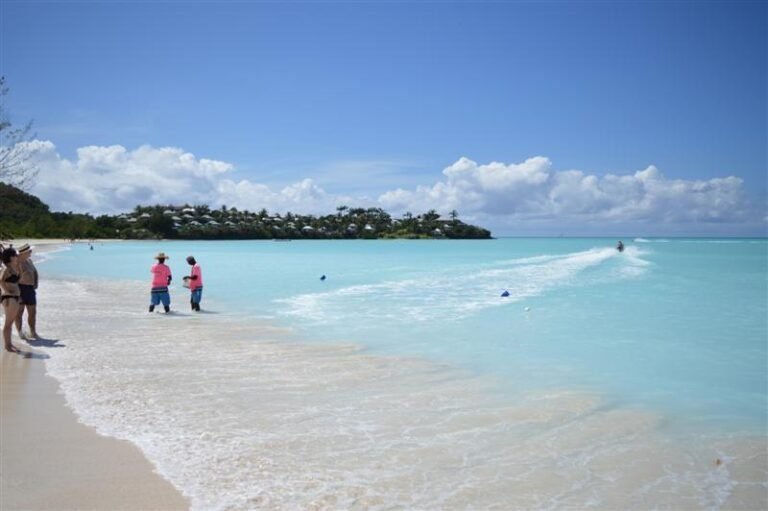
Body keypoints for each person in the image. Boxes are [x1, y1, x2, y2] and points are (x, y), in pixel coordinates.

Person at [15, 244, 39, 339]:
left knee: (32, 313)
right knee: (19, 313)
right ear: (24, 253)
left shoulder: (29, 261)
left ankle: (33, 332)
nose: (31, 253)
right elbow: (15, 279)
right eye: (29, 251)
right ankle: (20, 332)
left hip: (30, 289)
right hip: (21, 288)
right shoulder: (17, 263)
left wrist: (35, 284)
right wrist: (17, 293)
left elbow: (35, 272)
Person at [1, 248, 22, 352]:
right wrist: (7, 291)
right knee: (8, 323)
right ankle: (7, 345)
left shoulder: (13, 268)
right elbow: (1, 281)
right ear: (10, 257)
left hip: (15, 297)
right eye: (15, 255)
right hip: (9, 297)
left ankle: (9, 344)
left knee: (10, 322)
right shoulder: (6, 269)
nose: (16, 257)